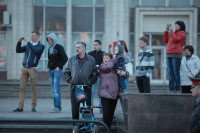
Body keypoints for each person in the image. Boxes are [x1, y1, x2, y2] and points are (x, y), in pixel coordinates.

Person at [64, 42, 98, 119]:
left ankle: (87, 127)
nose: (76, 49)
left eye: (78, 47)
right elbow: (67, 72)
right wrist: (70, 81)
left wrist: (90, 82)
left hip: (86, 88)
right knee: (75, 109)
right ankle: (75, 127)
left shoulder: (91, 59)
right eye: (76, 47)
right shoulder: (72, 59)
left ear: (83, 48)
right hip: (75, 88)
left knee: (87, 109)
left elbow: (95, 73)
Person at [13, 30, 45, 112]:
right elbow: (18, 50)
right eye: (31, 36)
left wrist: (28, 42)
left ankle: (33, 107)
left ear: (38, 36)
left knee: (33, 88)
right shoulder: (28, 45)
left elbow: (35, 51)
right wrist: (19, 42)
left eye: (33, 36)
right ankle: (20, 107)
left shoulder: (41, 46)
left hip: (33, 69)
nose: (31, 37)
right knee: (22, 88)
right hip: (24, 68)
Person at [47, 33, 68, 113]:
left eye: (50, 40)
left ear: (54, 39)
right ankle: (56, 106)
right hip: (51, 71)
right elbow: (50, 59)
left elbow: (65, 58)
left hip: (57, 71)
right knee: (53, 90)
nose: (49, 41)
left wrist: (59, 66)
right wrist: (48, 66)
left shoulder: (59, 47)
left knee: (56, 89)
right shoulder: (50, 49)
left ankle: (57, 107)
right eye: (48, 40)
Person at [163, 20, 186, 93]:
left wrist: (171, 31)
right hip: (168, 54)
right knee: (170, 74)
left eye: (177, 25)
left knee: (176, 73)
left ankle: (178, 89)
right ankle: (171, 89)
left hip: (176, 54)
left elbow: (176, 40)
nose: (175, 26)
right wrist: (166, 31)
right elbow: (165, 40)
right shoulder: (172, 33)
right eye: (175, 25)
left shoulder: (182, 33)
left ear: (181, 26)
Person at [99, 53, 119, 129]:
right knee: (106, 117)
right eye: (104, 58)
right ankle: (105, 131)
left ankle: (108, 130)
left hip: (114, 95)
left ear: (110, 59)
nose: (105, 60)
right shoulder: (102, 67)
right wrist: (114, 60)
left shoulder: (113, 67)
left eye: (107, 58)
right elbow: (108, 67)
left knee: (110, 117)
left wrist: (125, 73)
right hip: (105, 94)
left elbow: (125, 75)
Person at [88, 40, 105, 113]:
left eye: (96, 45)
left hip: (101, 76)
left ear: (100, 45)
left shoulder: (103, 54)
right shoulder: (89, 54)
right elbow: (88, 64)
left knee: (100, 92)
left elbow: (105, 64)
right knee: (91, 92)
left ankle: (101, 108)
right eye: (93, 44)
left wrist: (99, 68)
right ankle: (90, 108)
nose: (94, 46)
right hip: (92, 76)